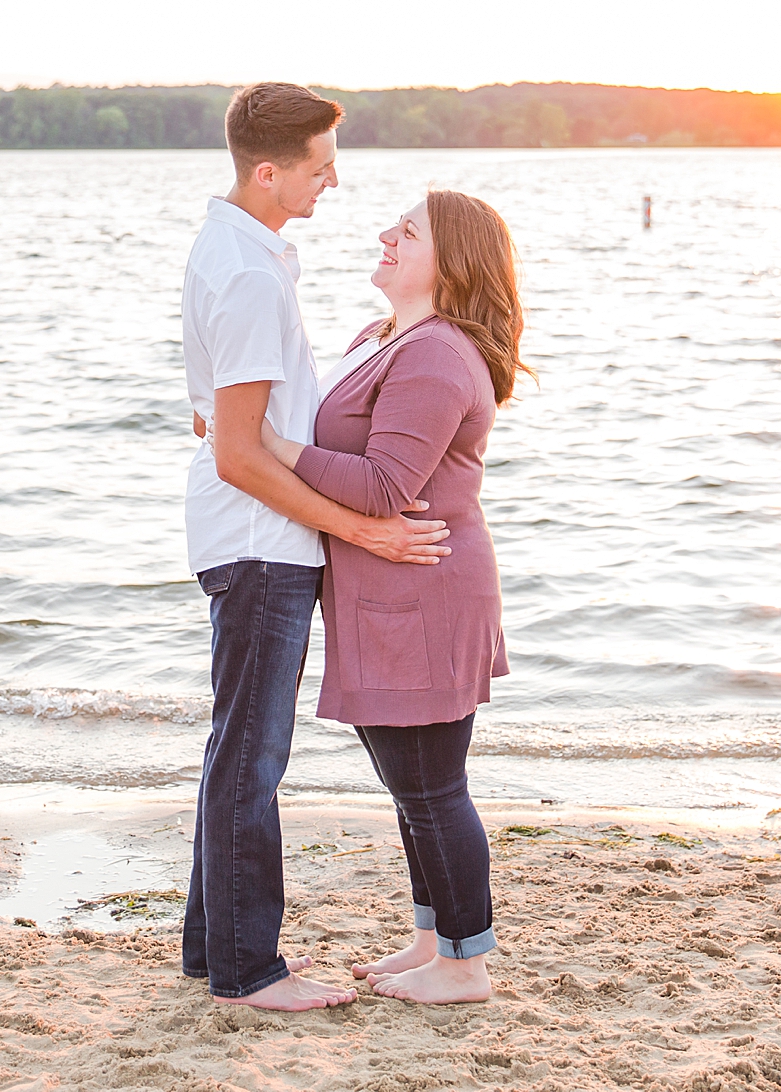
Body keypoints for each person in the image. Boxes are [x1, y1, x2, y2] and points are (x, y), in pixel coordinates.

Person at [180, 83, 453, 1011]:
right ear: (268, 171)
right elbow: (241, 458)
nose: (334, 182)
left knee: (235, 751)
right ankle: (250, 970)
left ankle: (208, 949)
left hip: (251, 535)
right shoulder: (252, 274)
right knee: (253, 760)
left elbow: (234, 425)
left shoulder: (237, 251)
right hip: (262, 541)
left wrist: (230, 431)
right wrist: (362, 526)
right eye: (319, 165)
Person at [258, 189, 527, 1004]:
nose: (384, 235)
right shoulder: (382, 337)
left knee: (431, 783)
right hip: (385, 594)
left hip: (427, 592)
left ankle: (466, 965)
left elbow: (384, 485)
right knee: (407, 780)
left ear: (450, 263)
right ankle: (431, 939)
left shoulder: (437, 354)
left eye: (406, 233)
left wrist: (265, 445)